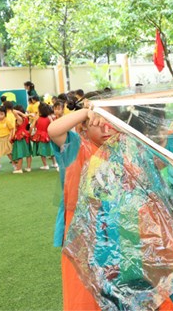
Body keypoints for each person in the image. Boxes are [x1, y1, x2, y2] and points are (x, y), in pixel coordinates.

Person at [48, 107, 113, 311]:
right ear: (83, 126)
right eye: (98, 123)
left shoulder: (117, 149)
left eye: (110, 123)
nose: (106, 129)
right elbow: (54, 130)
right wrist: (86, 111)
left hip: (111, 231)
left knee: (110, 290)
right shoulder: (76, 147)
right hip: (81, 232)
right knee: (81, 291)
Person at [31, 102, 56, 170]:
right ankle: (54, 163)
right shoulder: (49, 117)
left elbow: (32, 126)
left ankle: (45, 165)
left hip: (40, 136)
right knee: (51, 149)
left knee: (42, 151)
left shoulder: (37, 118)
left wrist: (31, 133)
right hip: (48, 135)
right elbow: (53, 125)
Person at [11, 105, 33, 173]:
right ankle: (28, 167)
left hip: (20, 136)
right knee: (28, 153)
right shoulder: (25, 118)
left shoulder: (20, 118)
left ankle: (19, 168)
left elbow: (13, 111)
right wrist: (25, 114)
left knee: (20, 153)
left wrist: (22, 114)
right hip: (26, 135)